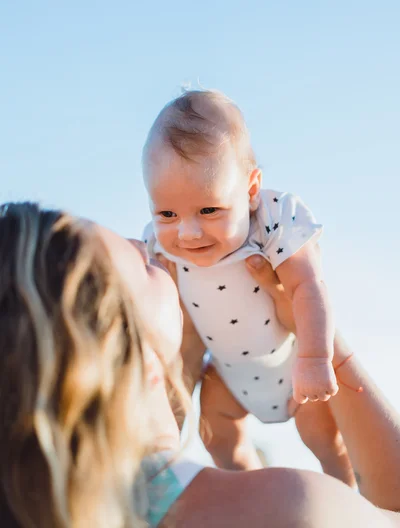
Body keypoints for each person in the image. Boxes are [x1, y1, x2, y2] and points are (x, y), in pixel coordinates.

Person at [1, 201, 400, 528]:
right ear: (124, 351)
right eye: (145, 265)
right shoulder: (290, 508)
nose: (156, 247)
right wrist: (321, 341)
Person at [141, 88, 348, 478]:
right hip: (227, 375)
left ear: (251, 190)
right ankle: (250, 488)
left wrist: (314, 359)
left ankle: (344, 496)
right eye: (166, 213)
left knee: (324, 440)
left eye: (209, 209)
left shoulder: (270, 222)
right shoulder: (161, 250)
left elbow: (307, 287)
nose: (187, 233)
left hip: (293, 368)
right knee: (217, 435)